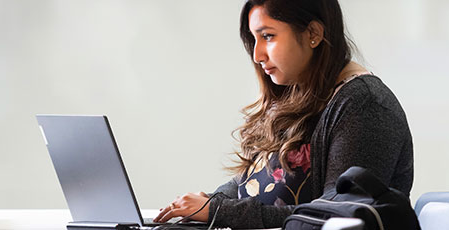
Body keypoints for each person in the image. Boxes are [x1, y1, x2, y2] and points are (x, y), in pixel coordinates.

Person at [153, 0, 413, 228]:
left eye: (267, 36)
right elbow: (245, 186)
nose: (257, 55)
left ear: (313, 33)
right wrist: (205, 206)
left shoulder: (364, 104)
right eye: (254, 39)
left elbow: (336, 217)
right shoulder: (295, 95)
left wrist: (220, 211)